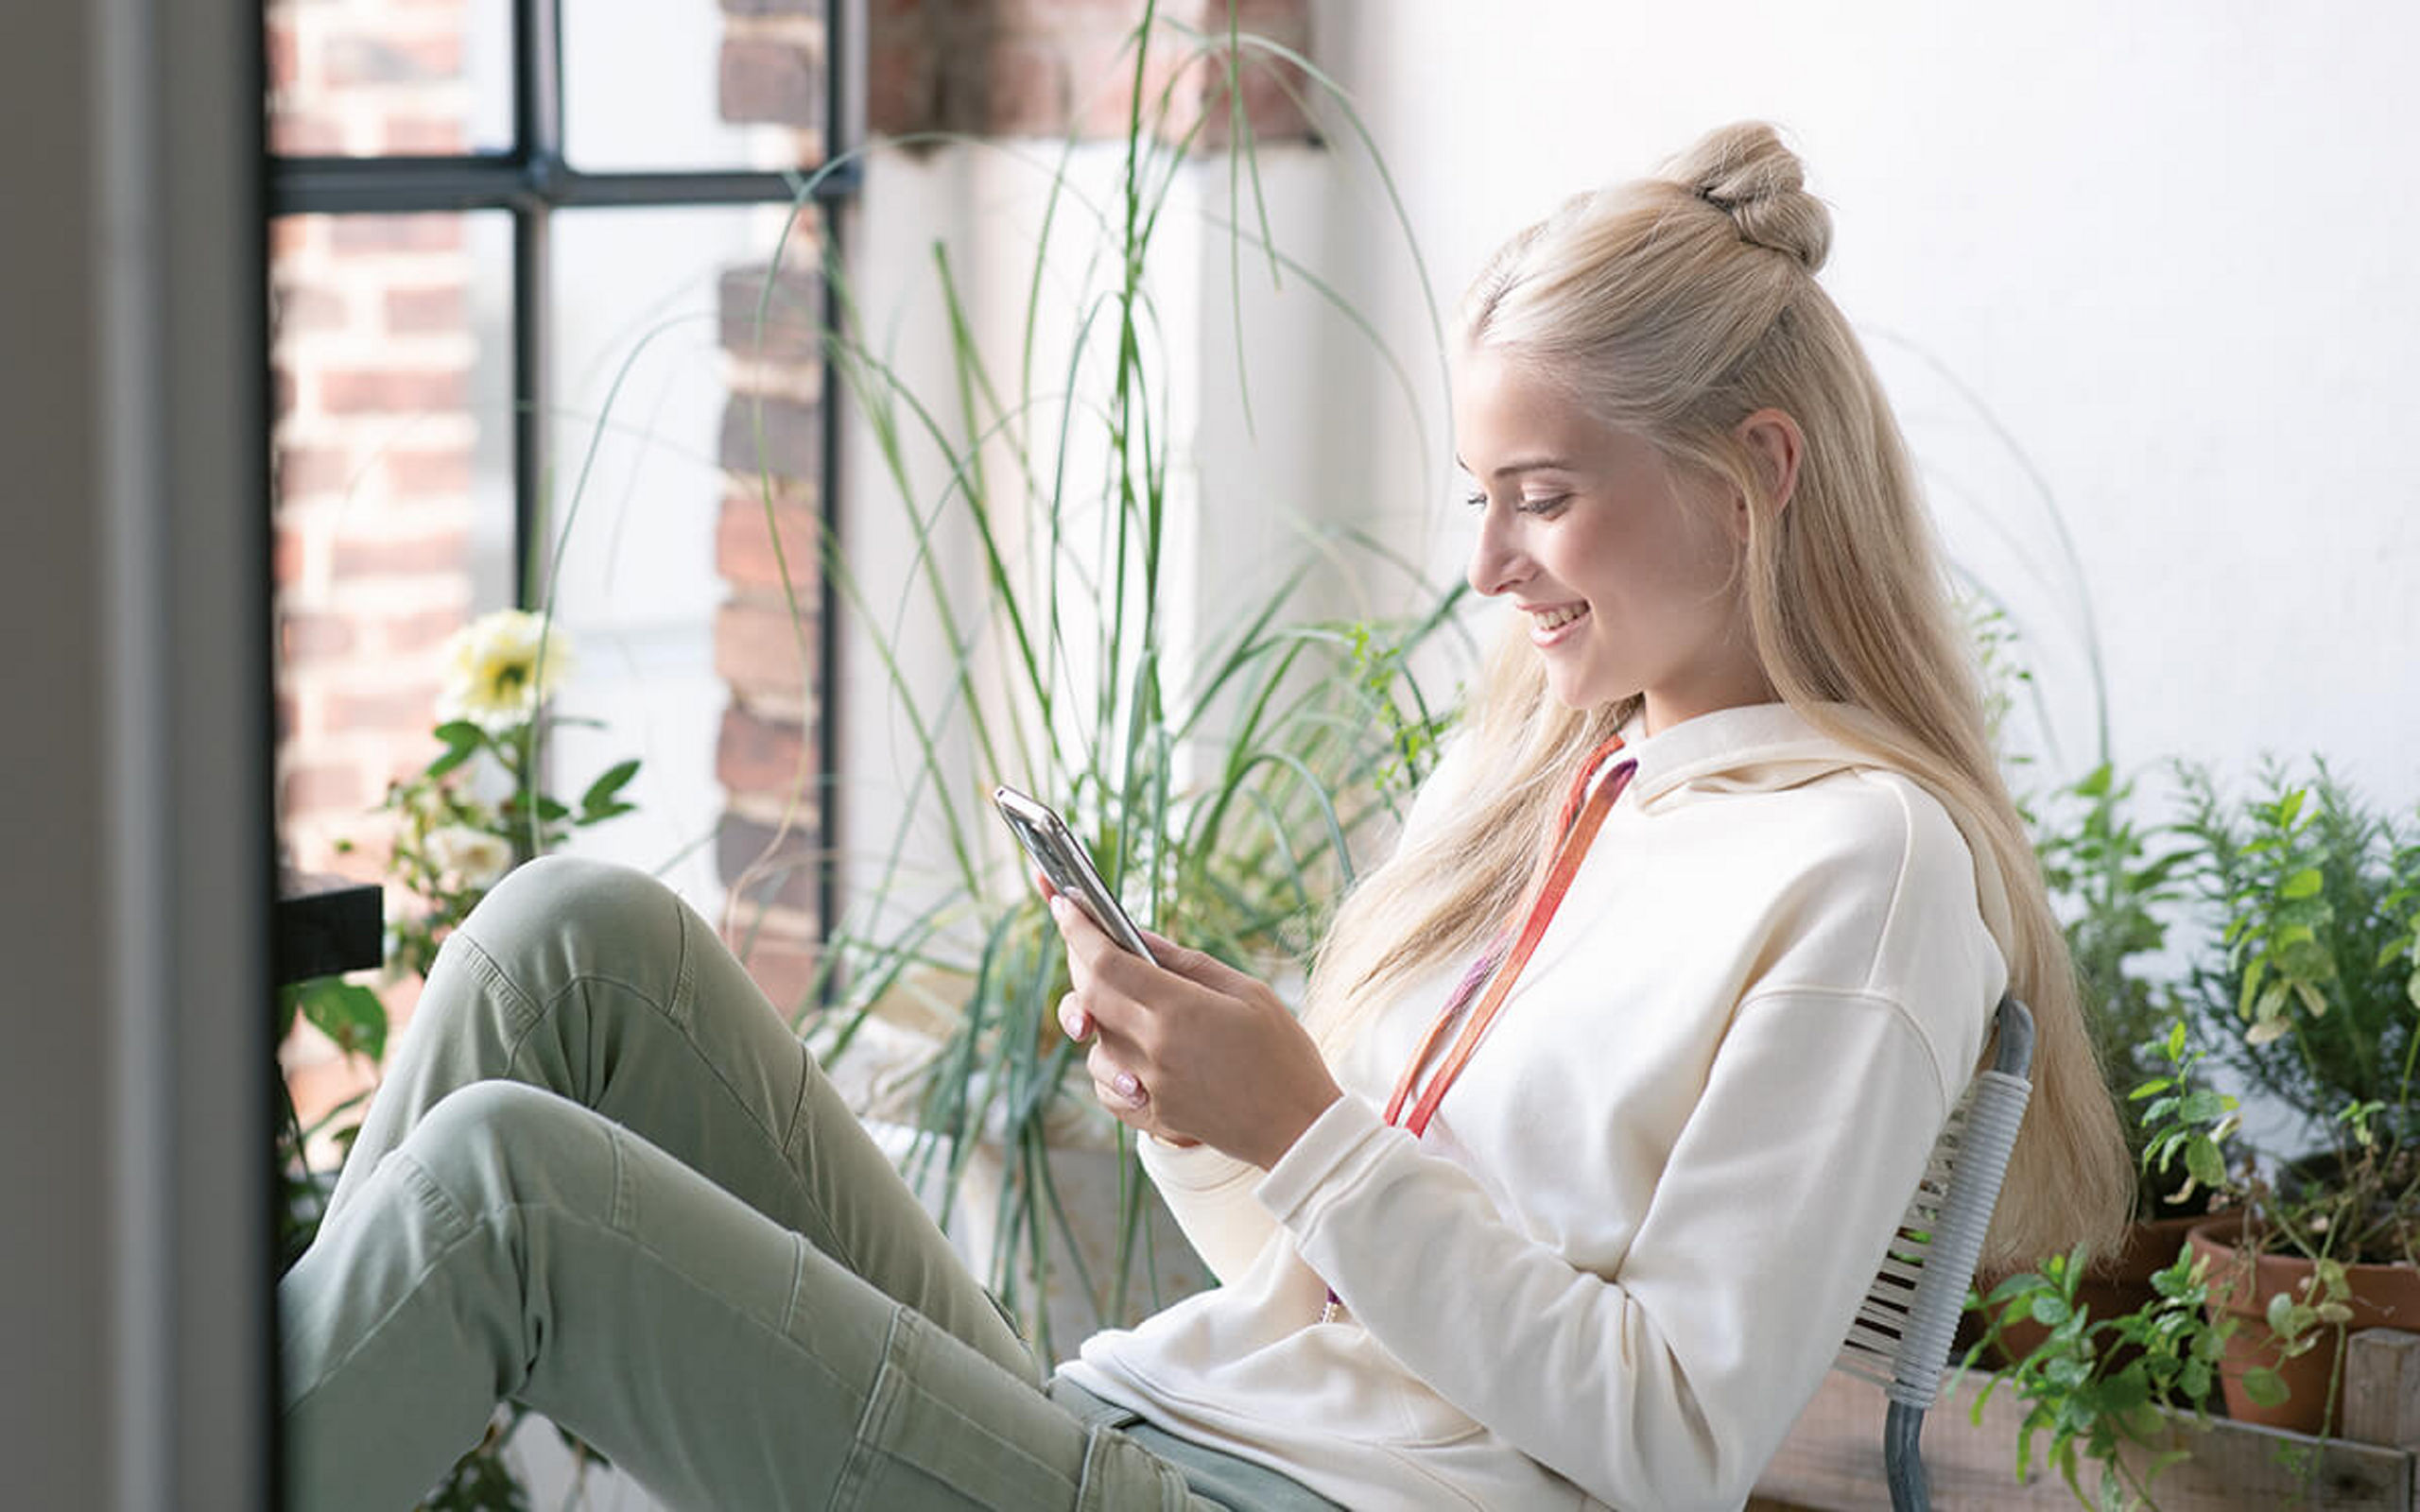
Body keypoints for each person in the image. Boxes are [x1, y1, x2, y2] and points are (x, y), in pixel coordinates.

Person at [280, 121, 2131, 1511]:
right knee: (567, 939)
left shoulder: (1858, 868)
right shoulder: (1596, 780)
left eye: (1540, 496)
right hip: (1157, 1425)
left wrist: (1309, 1126)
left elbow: (1668, 1433)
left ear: (1755, 475)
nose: (1484, 563)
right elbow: (1334, 1294)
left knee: (501, 1198)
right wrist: (1206, 1097)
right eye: (1478, 495)